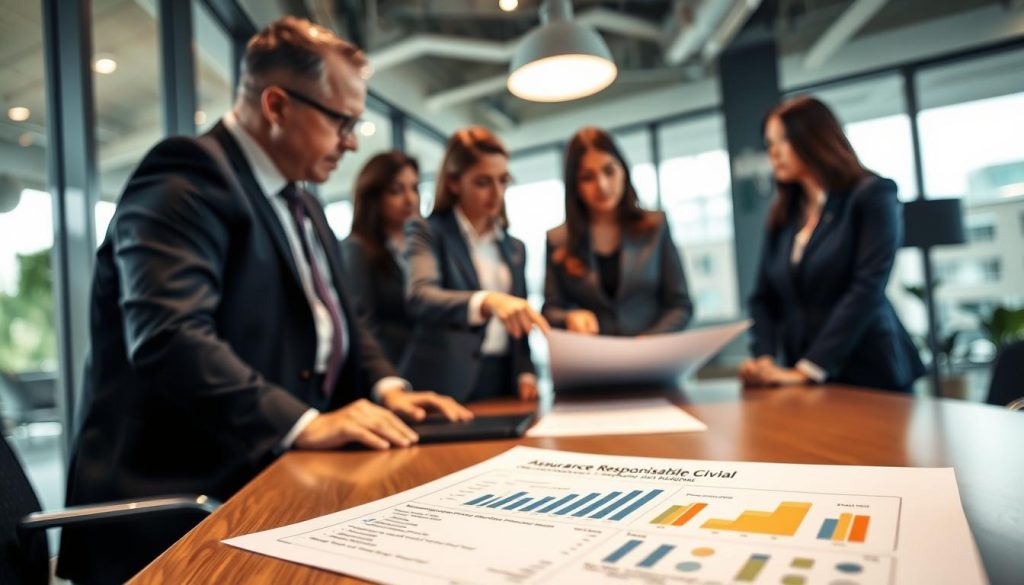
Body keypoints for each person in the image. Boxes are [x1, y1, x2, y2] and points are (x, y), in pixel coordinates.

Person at [59, 17, 470, 584]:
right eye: (342, 121)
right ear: (276, 105)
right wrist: (303, 423)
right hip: (179, 509)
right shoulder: (185, 177)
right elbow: (169, 337)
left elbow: (344, 322)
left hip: (264, 482)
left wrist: (389, 387)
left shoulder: (301, 201)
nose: (351, 142)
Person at [740, 96, 925, 392]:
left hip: (869, 372)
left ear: (815, 138)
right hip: (801, 376)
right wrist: (764, 358)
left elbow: (867, 288)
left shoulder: (872, 195)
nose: (774, 153)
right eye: (768, 144)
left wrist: (810, 367)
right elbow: (762, 298)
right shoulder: (784, 215)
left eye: (783, 141)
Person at [403, 126, 547, 403]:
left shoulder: (514, 247)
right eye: (483, 182)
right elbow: (421, 296)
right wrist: (486, 301)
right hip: (445, 382)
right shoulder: (427, 231)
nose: (496, 192)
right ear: (454, 182)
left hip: (504, 380)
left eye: (502, 181)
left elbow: (519, 320)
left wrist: (525, 372)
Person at [543, 126, 693, 336]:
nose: (602, 185)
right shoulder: (558, 239)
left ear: (624, 171)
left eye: (609, 171)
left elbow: (680, 305)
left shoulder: (655, 226)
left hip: (652, 360)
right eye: (587, 177)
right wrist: (569, 317)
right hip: (591, 361)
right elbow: (550, 310)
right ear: (575, 186)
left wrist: (648, 342)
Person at [343, 151, 421, 365]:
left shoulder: (421, 248)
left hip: (430, 367)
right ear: (374, 197)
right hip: (392, 371)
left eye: (414, 188)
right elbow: (363, 324)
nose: (410, 199)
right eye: (396, 190)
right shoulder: (357, 249)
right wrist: (386, 378)